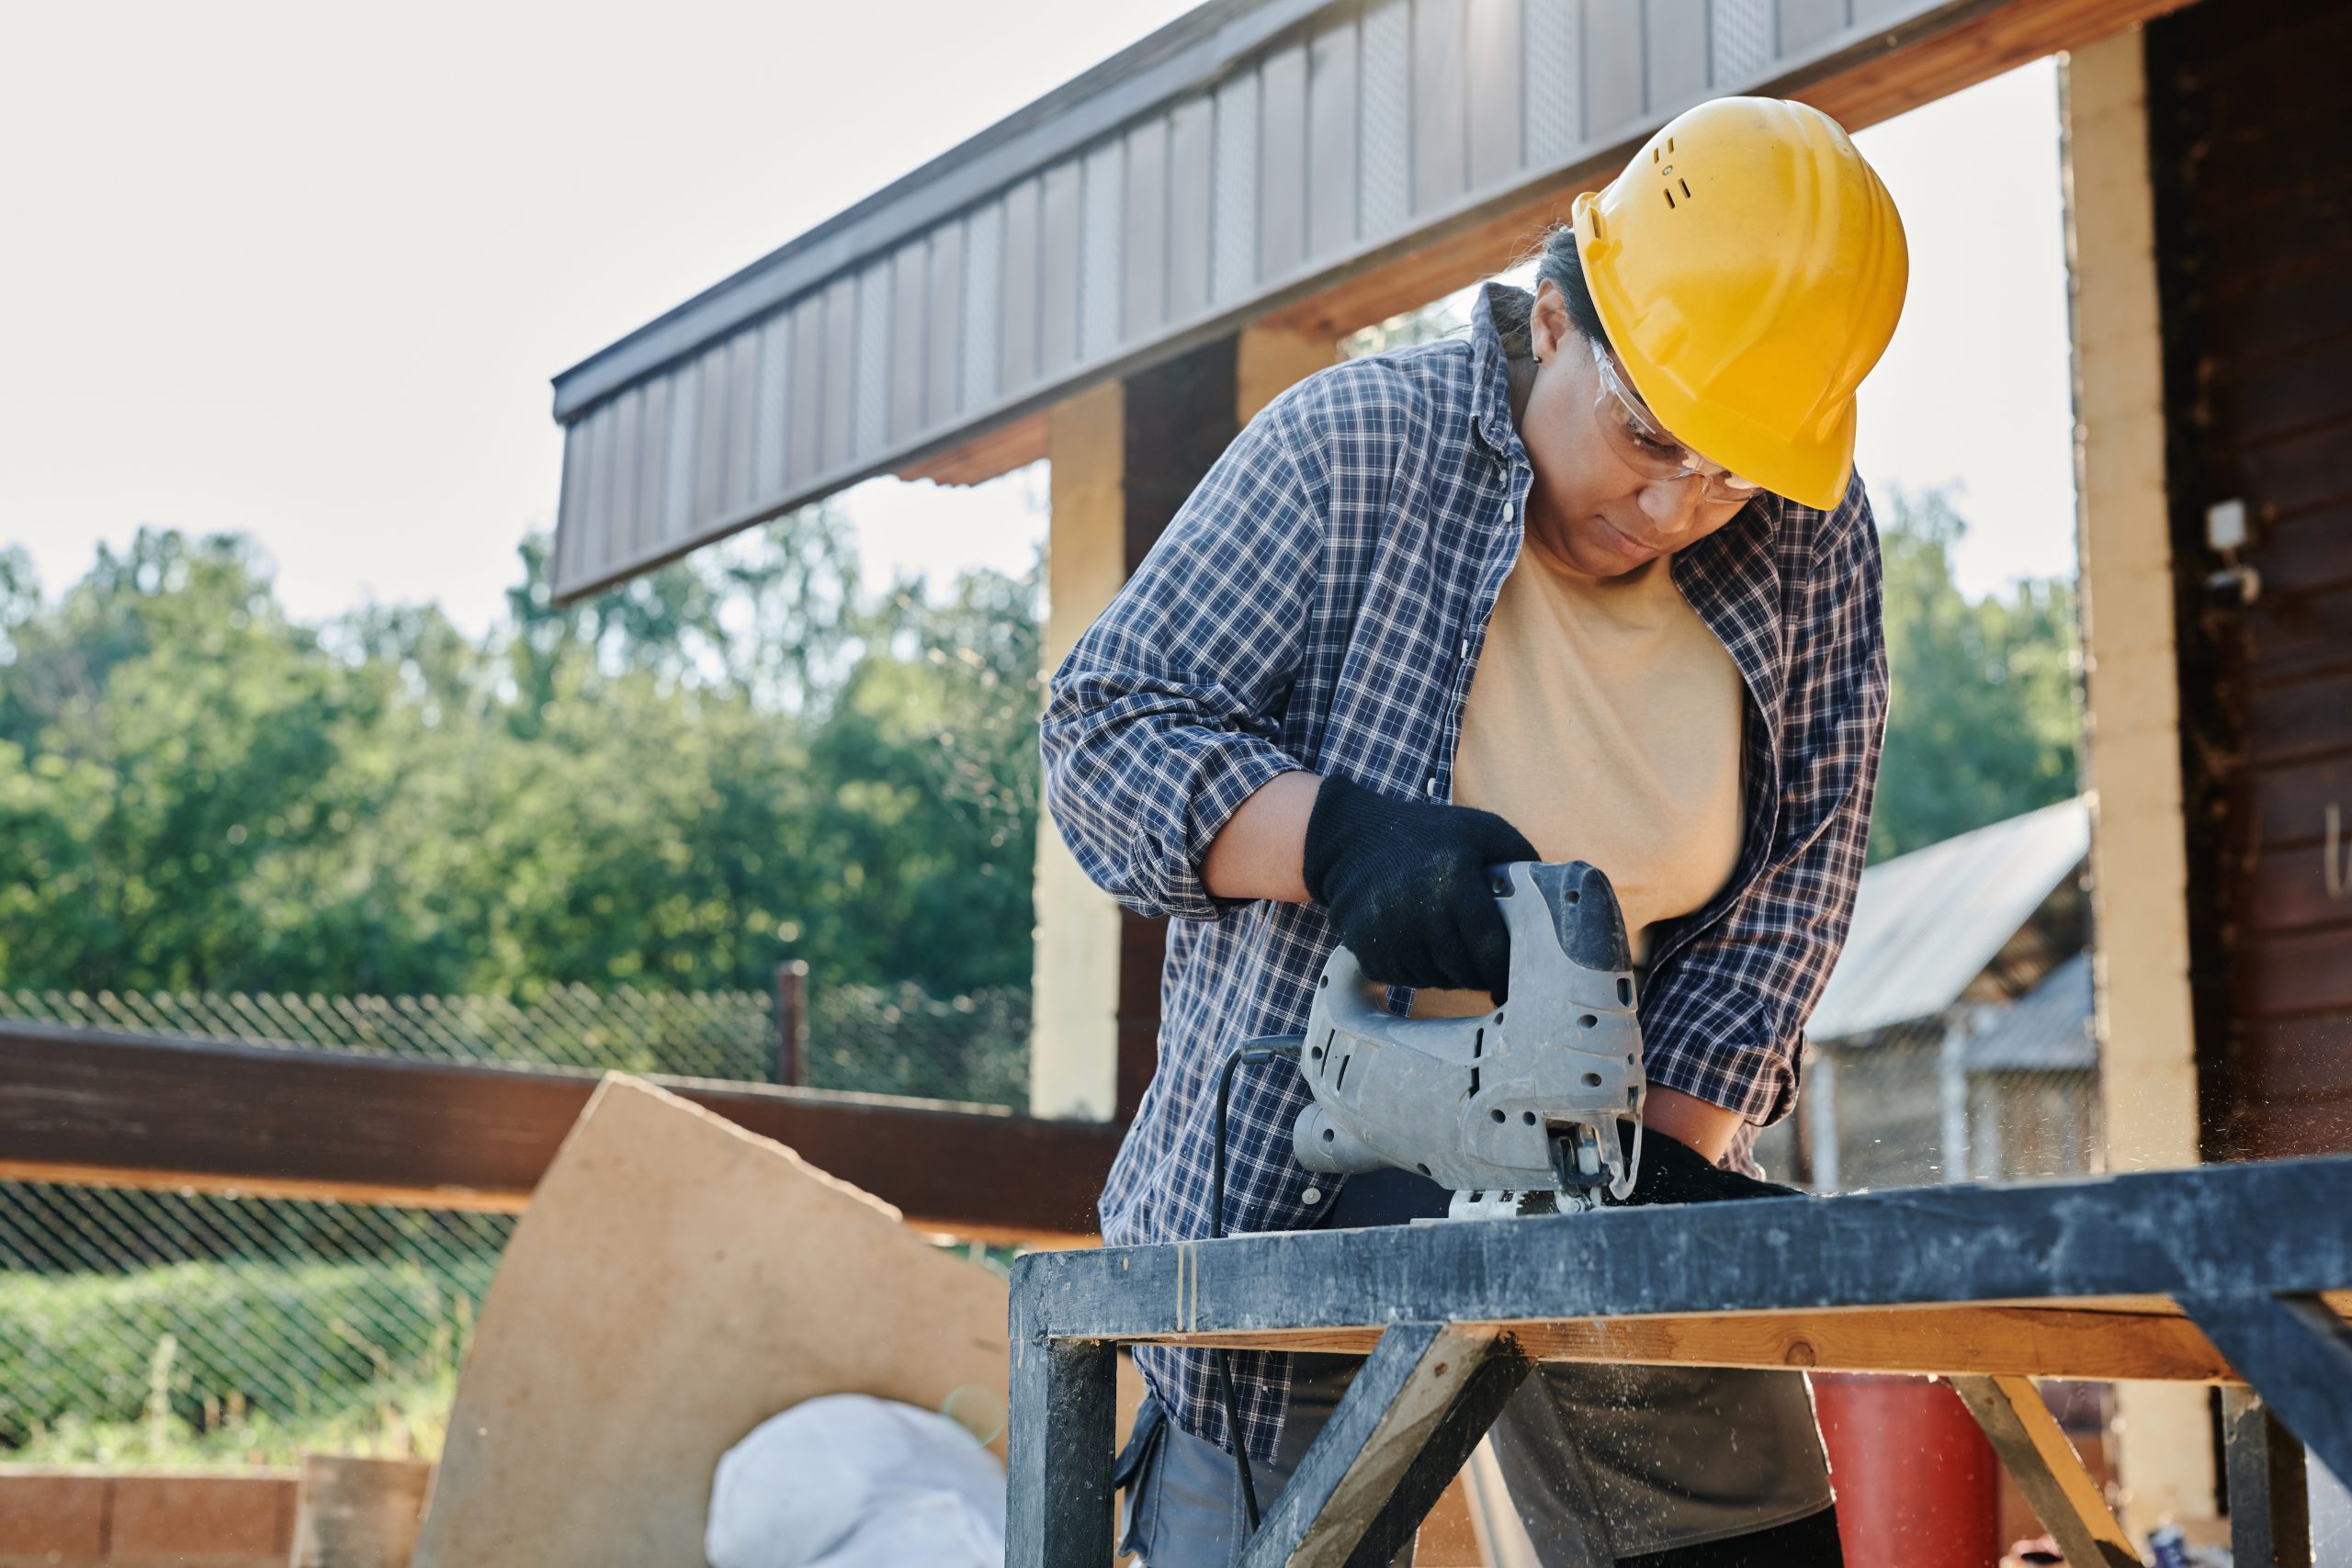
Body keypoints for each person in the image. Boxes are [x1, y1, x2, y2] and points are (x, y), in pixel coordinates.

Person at [1041, 96, 1908, 1567]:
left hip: (1615, 1153)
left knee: (1742, 1544)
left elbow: (1799, 873)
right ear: (1557, 319)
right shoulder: (1353, 449)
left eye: (1730, 468)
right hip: (1297, 1177)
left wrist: (1656, 1182)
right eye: (1648, 436)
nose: (1676, 499)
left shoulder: (1810, 536)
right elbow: (1105, 733)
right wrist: (1336, 841)